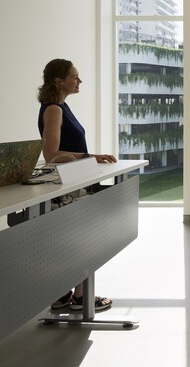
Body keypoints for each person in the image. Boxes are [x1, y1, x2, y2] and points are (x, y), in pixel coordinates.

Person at [38, 58, 117, 312]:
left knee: (71, 239)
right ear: (59, 81)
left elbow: (66, 149)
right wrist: (90, 157)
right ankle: (82, 297)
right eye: (75, 76)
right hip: (69, 185)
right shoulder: (54, 110)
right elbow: (51, 154)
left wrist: (92, 157)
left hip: (74, 180)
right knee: (85, 237)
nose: (79, 80)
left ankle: (62, 295)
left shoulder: (62, 107)